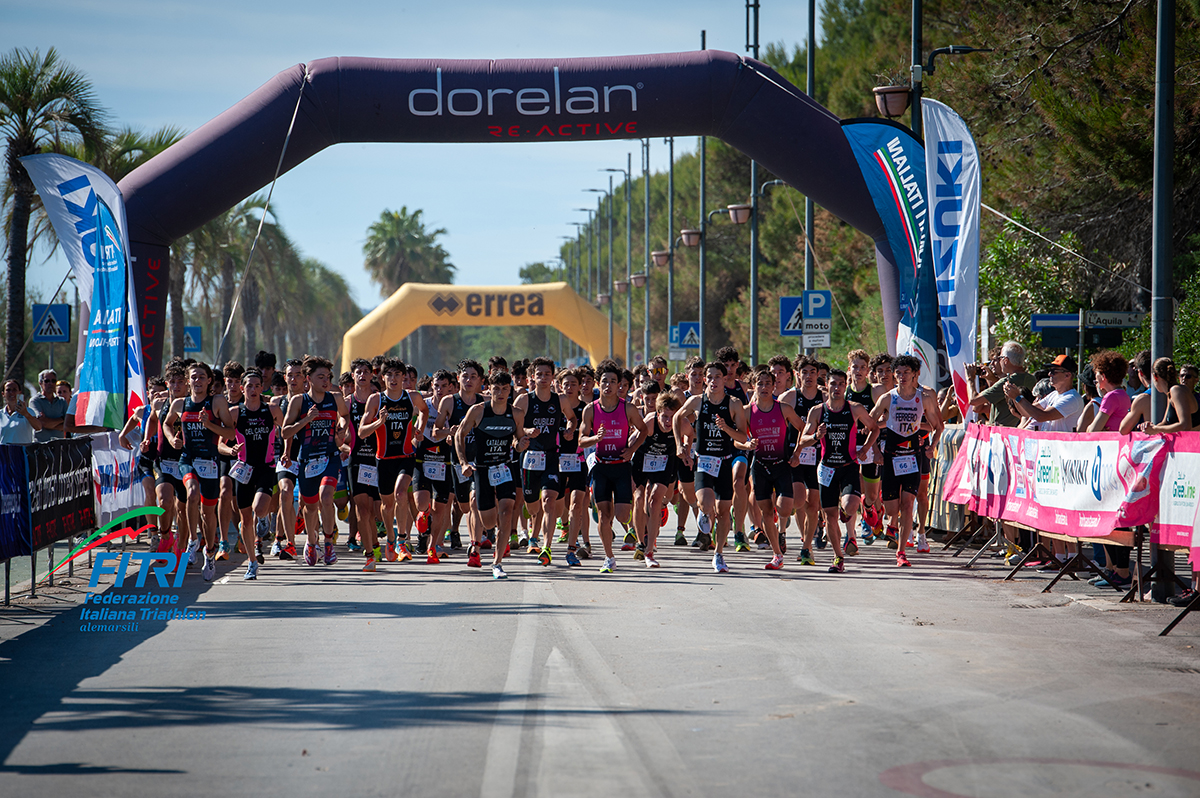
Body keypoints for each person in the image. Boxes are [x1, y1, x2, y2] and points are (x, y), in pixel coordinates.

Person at [799, 368, 879, 573]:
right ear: (826, 385)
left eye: (841, 384)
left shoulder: (855, 408)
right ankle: (838, 558)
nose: (836, 388)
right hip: (826, 469)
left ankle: (850, 510)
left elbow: (875, 428)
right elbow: (803, 440)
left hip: (848, 466)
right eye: (833, 383)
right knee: (830, 516)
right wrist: (817, 436)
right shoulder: (817, 411)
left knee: (850, 506)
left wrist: (866, 449)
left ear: (846, 385)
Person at [673, 360, 749, 574]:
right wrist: (680, 445)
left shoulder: (733, 404)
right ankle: (705, 514)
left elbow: (742, 436)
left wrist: (726, 429)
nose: (713, 381)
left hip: (725, 460)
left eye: (718, 377)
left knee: (724, 512)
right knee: (706, 504)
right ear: (704, 379)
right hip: (704, 460)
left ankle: (719, 554)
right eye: (710, 377)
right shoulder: (698, 401)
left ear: (724, 379)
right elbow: (677, 417)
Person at [164, 362, 236, 581]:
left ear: (209, 381)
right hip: (188, 458)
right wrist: (172, 439)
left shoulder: (217, 402)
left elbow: (231, 432)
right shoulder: (179, 403)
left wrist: (210, 424)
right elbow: (167, 424)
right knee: (192, 493)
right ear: (188, 380)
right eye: (194, 377)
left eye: (202, 377)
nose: (197, 381)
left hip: (211, 461)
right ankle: (192, 540)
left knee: (208, 513)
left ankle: (210, 552)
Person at [870, 355, 943, 567]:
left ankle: (901, 552)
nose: (902, 377)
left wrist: (932, 446)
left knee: (908, 504)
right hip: (891, 456)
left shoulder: (924, 397)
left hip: (913, 456)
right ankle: (883, 511)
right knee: (892, 509)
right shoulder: (887, 398)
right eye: (898, 373)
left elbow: (938, 426)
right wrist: (873, 448)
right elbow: (869, 422)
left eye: (906, 373)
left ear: (914, 374)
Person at [455, 370, 526, 579]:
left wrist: (520, 444)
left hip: (504, 468)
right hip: (483, 469)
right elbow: (460, 434)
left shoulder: (516, 413)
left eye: (505, 389)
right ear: (489, 389)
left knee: (507, 511)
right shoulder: (478, 411)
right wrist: (463, 463)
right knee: (489, 522)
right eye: (497, 389)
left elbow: (517, 441)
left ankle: (497, 563)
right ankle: (491, 535)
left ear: (510, 390)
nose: (501, 393)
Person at [579, 360, 648, 574]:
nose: (608, 385)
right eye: (604, 381)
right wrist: (595, 439)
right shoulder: (591, 409)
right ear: (599, 384)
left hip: (621, 466)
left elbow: (644, 430)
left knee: (621, 515)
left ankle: (628, 530)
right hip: (601, 466)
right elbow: (581, 440)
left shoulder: (627, 407)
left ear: (619, 385)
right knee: (604, 514)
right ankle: (609, 557)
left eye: (613, 381)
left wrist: (632, 449)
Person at [282, 356, 350, 567]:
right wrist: (306, 420)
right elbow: (285, 432)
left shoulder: (335, 398)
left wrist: (342, 426)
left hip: (330, 456)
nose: (326, 381)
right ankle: (312, 542)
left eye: (328, 376)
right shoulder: (299, 401)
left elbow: (345, 416)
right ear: (308, 378)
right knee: (310, 508)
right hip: (307, 461)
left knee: (326, 496)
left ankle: (328, 543)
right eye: (321, 377)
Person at [359, 358, 427, 564]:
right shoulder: (375, 400)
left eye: (398, 375)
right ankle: (390, 537)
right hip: (384, 459)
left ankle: (402, 540)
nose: (394, 379)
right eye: (390, 374)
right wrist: (379, 422)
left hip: (406, 456)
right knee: (387, 505)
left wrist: (419, 431)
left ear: (404, 378)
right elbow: (362, 432)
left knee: (401, 494)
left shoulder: (412, 396)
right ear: (383, 377)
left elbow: (424, 410)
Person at [218, 367, 284, 579]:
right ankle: (252, 563)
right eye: (249, 386)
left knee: (259, 508)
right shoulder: (235, 412)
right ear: (242, 388)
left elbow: (288, 430)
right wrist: (231, 450)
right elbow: (221, 443)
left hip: (266, 467)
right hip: (243, 468)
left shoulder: (271, 410)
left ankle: (262, 519)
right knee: (246, 520)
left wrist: (287, 451)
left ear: (262, 388)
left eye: (257, 386)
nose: (253, 389)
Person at [512, 356, 576, 566]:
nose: (543, 377)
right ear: (532, 377)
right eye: (539, 374)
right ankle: (532, 529)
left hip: (551, 456)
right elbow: (512, 427)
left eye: (547, 374)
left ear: (553, 376)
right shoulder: (523, 400)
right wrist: (524, 435)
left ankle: (546, 547)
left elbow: (572, 418)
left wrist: (569, 429)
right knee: (532, 507)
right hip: (529, 459)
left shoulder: (561, 400)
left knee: (548, 501)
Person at [743, 366, 807, 570]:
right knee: (766, 513)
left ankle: (781, 531)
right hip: (760, 466)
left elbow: (802, 428)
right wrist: (746, 445)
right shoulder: (747, 412)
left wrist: (797, 452)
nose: (763, 387)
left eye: (768, 383)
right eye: (759, 384)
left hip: (781, 465)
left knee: (784, 508)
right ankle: (777, 554)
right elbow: (736, 439)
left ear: (774, 386)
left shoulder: (784, 408)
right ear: (754, 386)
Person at [966, 341, 1037, 427]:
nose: (998, 362)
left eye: (999, 358)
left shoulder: (1008, 381)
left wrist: (970, 379)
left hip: (1002, 433)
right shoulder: (1032, 379)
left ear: (1006, 360)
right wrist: (992, 379)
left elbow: (973, 400)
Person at [1006, 355, 1085, 432]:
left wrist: (1018, 397)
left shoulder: (1071, 398)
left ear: (1067, 375)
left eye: (1053, 372)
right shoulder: (1054, 394)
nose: (1049, 374)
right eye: (1050, 371)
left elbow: (1042, 416)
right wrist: (1014, 396)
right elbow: (1026, 412)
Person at [1141, 358, 1199, 434]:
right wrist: (1149, 427)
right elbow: (1165, 423)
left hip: (1193, 444)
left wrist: (1156, 429)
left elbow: (1185, 425)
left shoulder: (1177, 390)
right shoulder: (1171, 392)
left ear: (1155, 376)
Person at [30, 369, 67, 442]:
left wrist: (48, 422)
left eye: (53, 381)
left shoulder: (62, 401)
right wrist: (61, 419)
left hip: (59, 446)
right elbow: (41, 423)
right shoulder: (35, 401)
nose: (50, 383)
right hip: (41, 446)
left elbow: (67, 425)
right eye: (47, 381)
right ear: (40, 383)